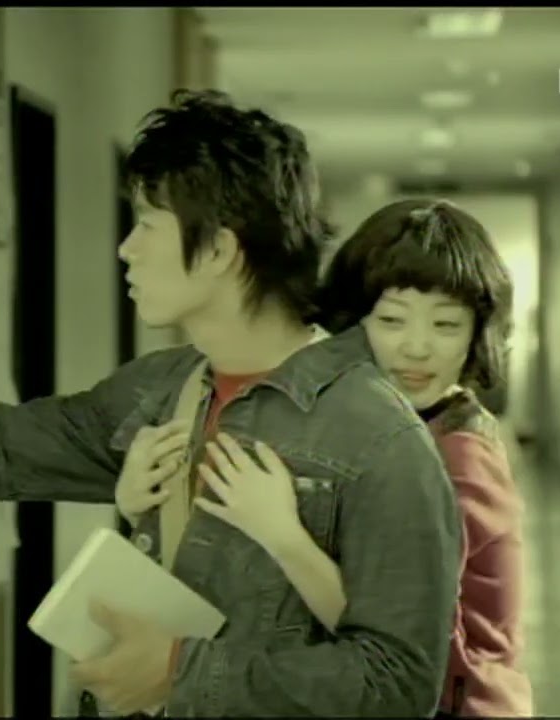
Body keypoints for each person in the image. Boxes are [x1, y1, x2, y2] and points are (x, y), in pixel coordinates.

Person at [0, 90, 462, 718]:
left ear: (218, 252)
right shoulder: (158, 390)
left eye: (146, 223)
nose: (125, 249)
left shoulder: (377, 437)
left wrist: (181, 671)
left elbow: (398, 684)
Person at [120, 197, 534, 717]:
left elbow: (399, 649)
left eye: (446, 325)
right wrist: (143, 507)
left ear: (477, 335)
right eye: (391, 320)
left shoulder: (456, 457)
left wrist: (283, 535)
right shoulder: (372, 424)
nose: (417, 347)